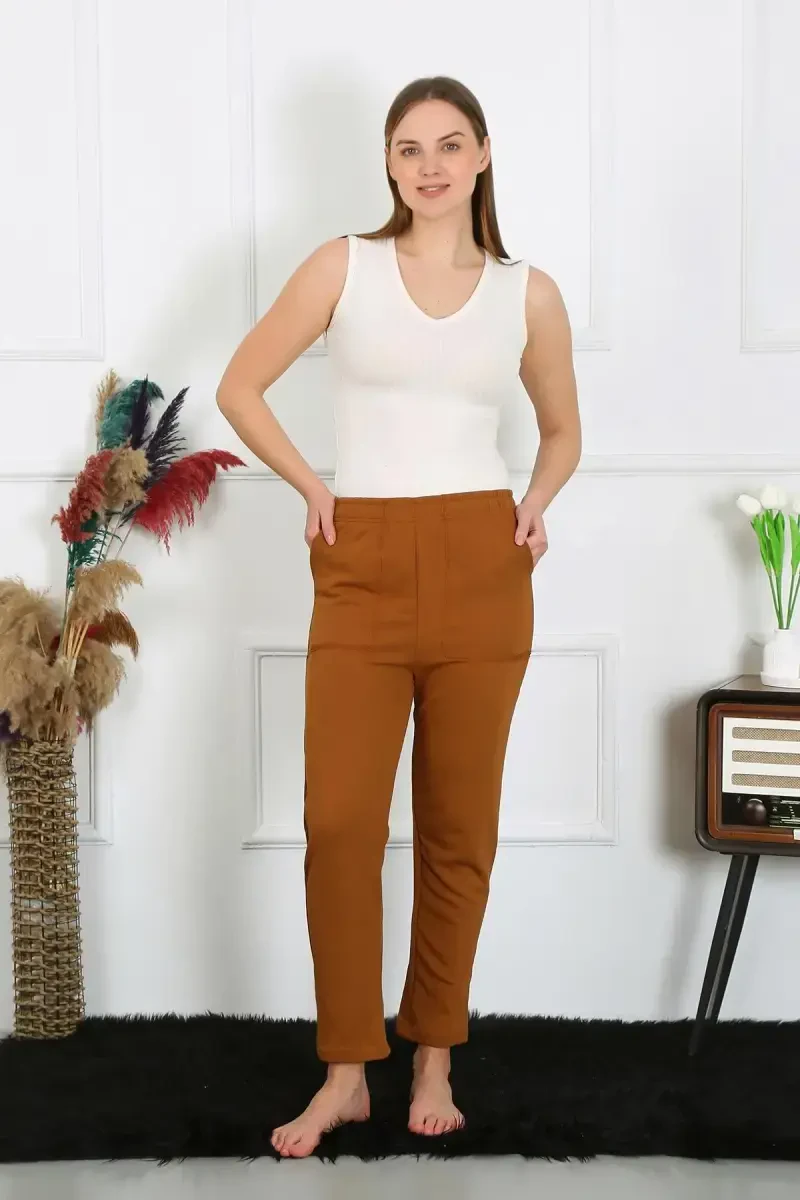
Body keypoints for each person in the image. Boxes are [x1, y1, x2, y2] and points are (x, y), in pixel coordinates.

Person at [216, 75, 581, 1159]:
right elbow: (240, 386)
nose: (429, 165)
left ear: (482, 156)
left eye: (449, 145)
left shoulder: (527, 293)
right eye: (409, 147)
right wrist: (310, 487)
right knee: (338, 824)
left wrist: (533, 502)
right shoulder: (344, 266)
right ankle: (345, 1071)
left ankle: (433, 1055)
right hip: (360, 557)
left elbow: (562, 430)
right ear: (387, 162)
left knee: (459, 830)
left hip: (482, 562)